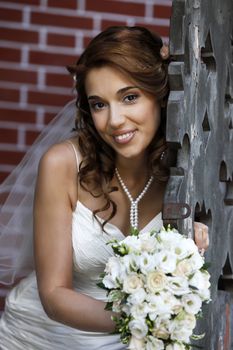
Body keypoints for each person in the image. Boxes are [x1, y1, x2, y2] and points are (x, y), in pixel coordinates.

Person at [0, 26, 209, 349]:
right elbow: (54, 295)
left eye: (129, 97)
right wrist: (145, 318)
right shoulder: (62, 164)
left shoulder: (193, 174)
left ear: (161, 95)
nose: (114, 120)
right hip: (39, 338)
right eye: (99, 104)